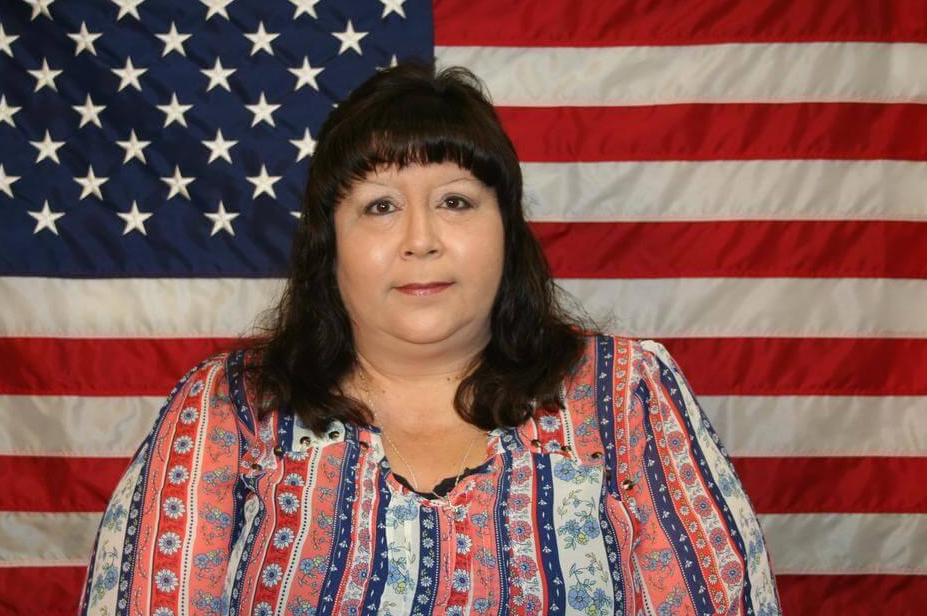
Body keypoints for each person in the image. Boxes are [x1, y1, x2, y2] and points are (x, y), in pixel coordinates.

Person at [78, 60, 782, 616]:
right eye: (380, 206)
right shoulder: (229, 412)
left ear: (506, 231)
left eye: (454, 201)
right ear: (330, 246)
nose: (421, 240)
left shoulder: (625, 394)